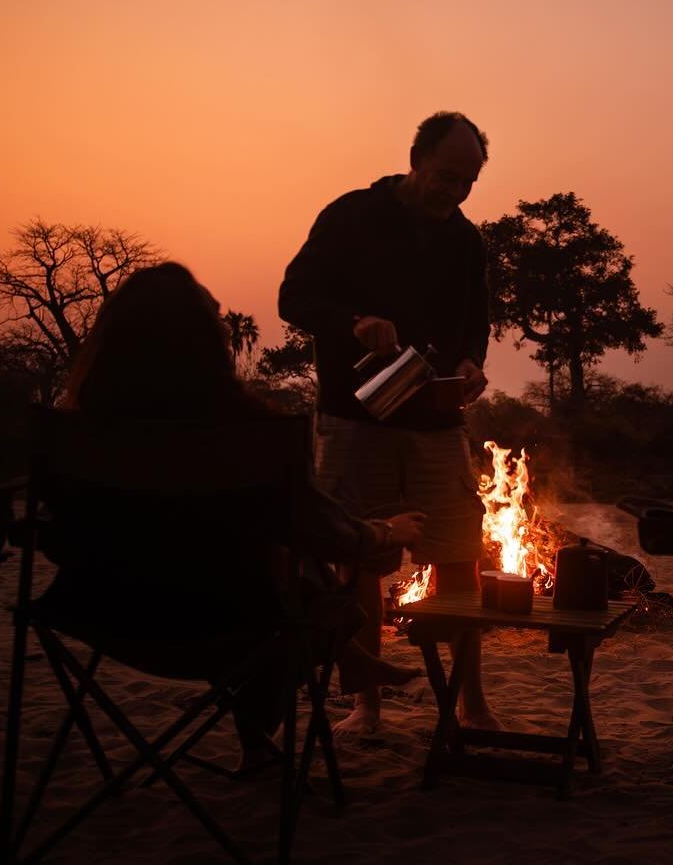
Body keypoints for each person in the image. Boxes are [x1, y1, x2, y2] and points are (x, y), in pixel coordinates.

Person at [56, 261, 425, 770]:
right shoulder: (250, 434)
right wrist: (386, 531)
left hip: (99, 613)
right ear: (207, 343)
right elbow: (323, 531)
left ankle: (343, 664)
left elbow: (54, 536)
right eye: (218, 318)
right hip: (227, 625)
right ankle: (266, 733)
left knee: (283, 580)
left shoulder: (75, 433)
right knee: (300, 598)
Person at [278, 112, 494, 736]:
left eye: (468, 181)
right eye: (447, 176)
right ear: (416, 160)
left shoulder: (467, 242)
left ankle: (469, 699)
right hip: (355, 416)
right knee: (359, 559)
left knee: (458, 555)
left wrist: (471, 362)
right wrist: (353, 321)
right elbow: (294, 297)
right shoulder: (350, 216)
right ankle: (366, 705)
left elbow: (476, 323)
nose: (455, 191)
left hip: (435, 420)